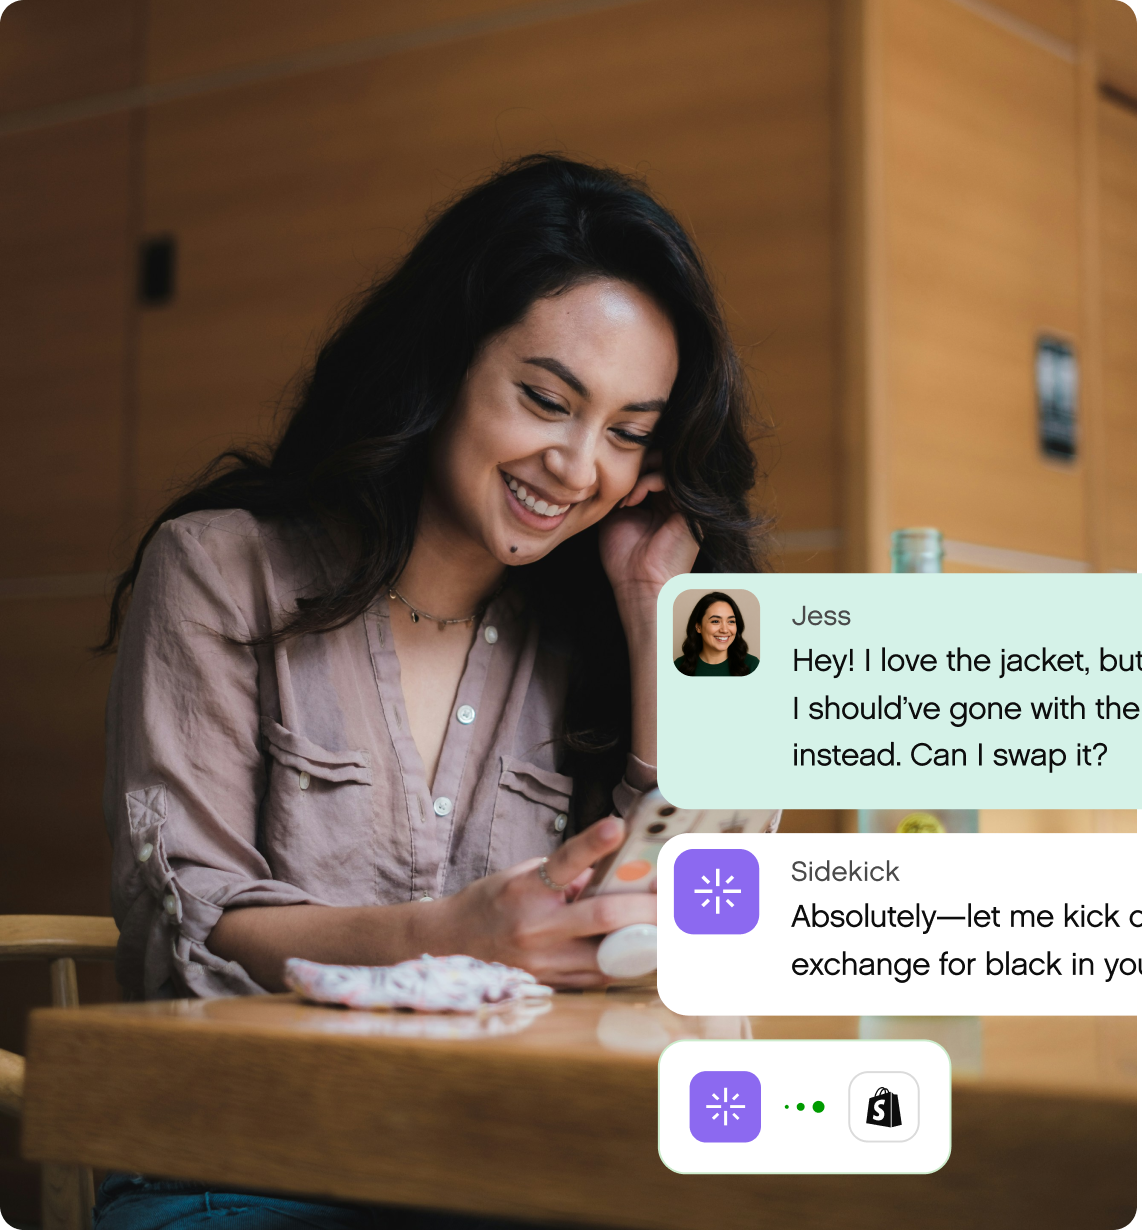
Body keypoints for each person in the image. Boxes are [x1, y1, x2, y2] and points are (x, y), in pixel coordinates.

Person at [95, 155, 762, 1228]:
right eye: (546, 400)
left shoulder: (598, 623)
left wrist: (654, 618)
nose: (578, 466)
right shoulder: (221, 570)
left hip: (513, 1162)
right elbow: (192, 930)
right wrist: (456, 934)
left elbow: (710, 925)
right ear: (445, 363)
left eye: (628, 432)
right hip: (239, 1158)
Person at [674, 591, 758, 675]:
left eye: (731, 621)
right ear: (698, 627)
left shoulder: (753, 666)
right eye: (715, 621)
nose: (724, 630)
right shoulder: (679, 666)